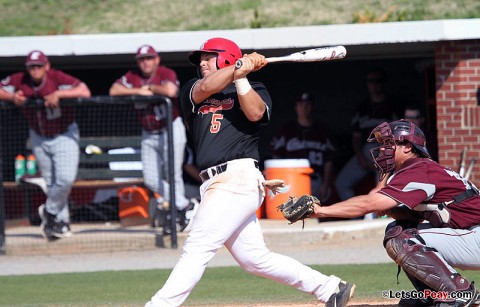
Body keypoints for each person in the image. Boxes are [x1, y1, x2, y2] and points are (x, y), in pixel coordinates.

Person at [144, 37, 355, 307]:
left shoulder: (254, 87)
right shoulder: (192, 90)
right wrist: (238, 67)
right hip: (214, 183)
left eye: (209, 57)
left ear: (226, 57)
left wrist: (242, 76)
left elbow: (255, 114)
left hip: (237, 178)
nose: (203, 64)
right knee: (255, 259)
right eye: (201, 60)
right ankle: (329, 288)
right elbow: (207, 86)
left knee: (197, 248)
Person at [310, 119, 480, 307]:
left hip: (476, 235)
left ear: (407, 147)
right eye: (382, 144)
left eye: (388, 143)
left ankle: (460, 293)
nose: (382, 149)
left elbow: (369, 203)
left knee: (401, 239)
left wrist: (320, 211)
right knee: (400, 228)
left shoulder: (418, 170)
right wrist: (391, 210)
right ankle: (435, 296)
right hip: (470, 235)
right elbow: (417, 216)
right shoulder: (419, 168)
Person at [0, 50, 91, 240]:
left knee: (65, 179)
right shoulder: (20, 80)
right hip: (39, 136)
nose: (35, 70)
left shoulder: (57, 77)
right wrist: (12, 98)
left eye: (39, 66)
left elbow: (85, 91)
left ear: (47, 66)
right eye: (32, 66)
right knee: (52, 182)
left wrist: (59, 94)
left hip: (64, 133)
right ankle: (60, 223)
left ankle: (49, 211)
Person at [109, 44, 195, 235]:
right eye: (142, 59)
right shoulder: (133, 77)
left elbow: (171, 91)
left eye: (149, 58)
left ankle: (179, 214)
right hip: (148, 133)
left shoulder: (165, 72)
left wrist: (152, 87)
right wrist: (139, 90)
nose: (145, 62)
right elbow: (114, 90)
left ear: (157, 59)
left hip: (170, 128)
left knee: (173, 174)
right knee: (150, 178)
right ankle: (184, 205)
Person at [334, 68, 399, 217]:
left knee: (382, 189)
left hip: (387, 152)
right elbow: (355, 137)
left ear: (383, 83)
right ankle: (356, 216)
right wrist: (361, 158)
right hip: (366, 151)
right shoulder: (362, 108)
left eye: (378, 81)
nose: (374, 85)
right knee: (341, 183)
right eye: (371, 81)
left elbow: (398, 136)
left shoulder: (393, 106)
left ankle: (381, 218)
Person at [269, 91, 336, 203]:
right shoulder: (286, 130)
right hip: (292, 179)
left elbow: (329, 160)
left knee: (315, 215)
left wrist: (326, 183)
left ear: (312, 106)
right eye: (301, 104)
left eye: (308, 104)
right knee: (293, 215)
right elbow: (275, 156)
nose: (304, 108)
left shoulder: (323, 130)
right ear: (296, 107)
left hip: (316, 181)